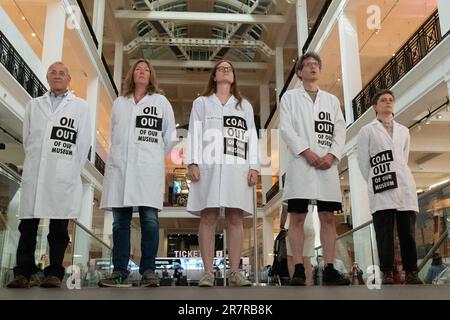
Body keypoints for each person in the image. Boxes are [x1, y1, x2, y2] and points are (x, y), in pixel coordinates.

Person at [7, 62, 91, 288]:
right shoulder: (34, 105)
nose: (57, 76)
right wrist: (40, 160)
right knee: (28, 227)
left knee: (58, 228)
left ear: (69, 79)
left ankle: (54, 272)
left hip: (62, 173)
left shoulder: (80, 108)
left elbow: (83, 144)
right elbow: (28, 140)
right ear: (47, 77)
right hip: (36, 172)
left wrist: (69, 167)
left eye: (62, 72)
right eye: (53, 72)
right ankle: (23, 272)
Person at [99, 59, 176, 287]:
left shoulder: (160, 101)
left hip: (148, 170)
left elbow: (170, 136)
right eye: (138, 69)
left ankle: (148, 271)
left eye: (146, 70)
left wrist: (152, 155)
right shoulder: (120, 102)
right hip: (121, 169)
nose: (142, 72)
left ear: (151, 76)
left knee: (150, 221)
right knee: (119, 223)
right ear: (132, 74)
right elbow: (114, 134)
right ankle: (120, 271)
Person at [185, 60, 259, 287]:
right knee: (208, 216)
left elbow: (252, 137)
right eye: (221, 68)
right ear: (214, 76)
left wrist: (254, 166)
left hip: (237, 167)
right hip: (209, 166)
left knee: (235, 218)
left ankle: (235, 272)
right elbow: (194, 133)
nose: (225, 70)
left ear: (234, 77)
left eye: (229, 68)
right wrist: (192, 162)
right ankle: (208, 272)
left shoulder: (244, 105)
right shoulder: (202, 103)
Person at [280, 52, 348, 286]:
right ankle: (298, 268)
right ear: (299, 72)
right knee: (298, 217)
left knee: (327, 217)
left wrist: (332, 154)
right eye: (307, 65)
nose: (312, 67)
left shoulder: (331, 100)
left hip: (327, 167)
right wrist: (306, 151)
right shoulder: (289, 98)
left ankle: (329, 268)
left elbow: (340, 129)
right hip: (301, 164)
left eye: (316, 65)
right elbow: (287, 129)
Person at [357, 89, 423, 285]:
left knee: (408, 233)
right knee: (384, 233)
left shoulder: (403, 130)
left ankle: (411, 272)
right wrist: (375, 180)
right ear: (375, 107)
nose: (387, 102)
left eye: (390, 100)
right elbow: (363, 163)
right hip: (381, 184)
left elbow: (403, 158)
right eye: (383, 100)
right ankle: (386, 271)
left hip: (403, 185)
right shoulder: (367, 131)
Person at [280, 203, 316, 285]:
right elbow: (312, 209)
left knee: (291, 257)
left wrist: (282, 226)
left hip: (293, 227)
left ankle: (295, 280)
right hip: (309, 226)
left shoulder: (289, 191)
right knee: (306, 258)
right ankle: (308, 283)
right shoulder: (310, 192)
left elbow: (285, 211)